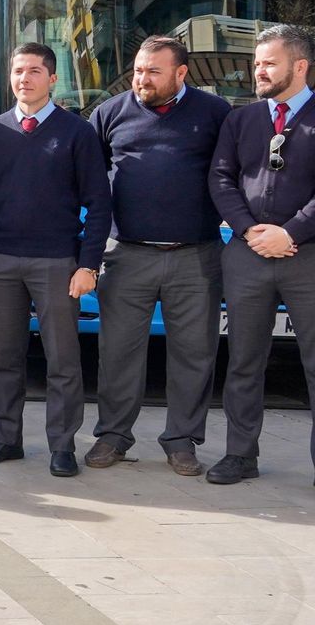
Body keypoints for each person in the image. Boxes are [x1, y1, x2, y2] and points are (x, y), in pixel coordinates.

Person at [87, 36, 231, 476]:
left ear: (181, 73)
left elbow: (231, 174)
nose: (141, 79)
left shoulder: (215, 114)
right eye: (138, 70)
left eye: (153, 72)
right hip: (126, 255)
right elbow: (90, 186)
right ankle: (113, 436)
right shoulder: (109, 113)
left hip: (196, 256)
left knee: (195, 353)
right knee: (118, 353)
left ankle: (182, 441)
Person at [0, 43, 111, 477]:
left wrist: (88, 266)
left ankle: (62, 445)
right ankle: (6, 438)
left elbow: (100, 203)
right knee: (5, 357)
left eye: (34, 71)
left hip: (57, 264)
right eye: (17, 71)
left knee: (62, 360)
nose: (24, 79)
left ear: (52, 79)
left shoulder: (77, 132)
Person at [206, 24, 315, 486]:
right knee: (244, 361)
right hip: (247, 257)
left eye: (269, 62)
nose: (258, 71)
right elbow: (220, 179)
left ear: (301, 66)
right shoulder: (242, 120)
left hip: (307, 258)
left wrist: (289, 233)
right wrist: (252, 232)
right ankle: (240, 455)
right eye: (257, 63)